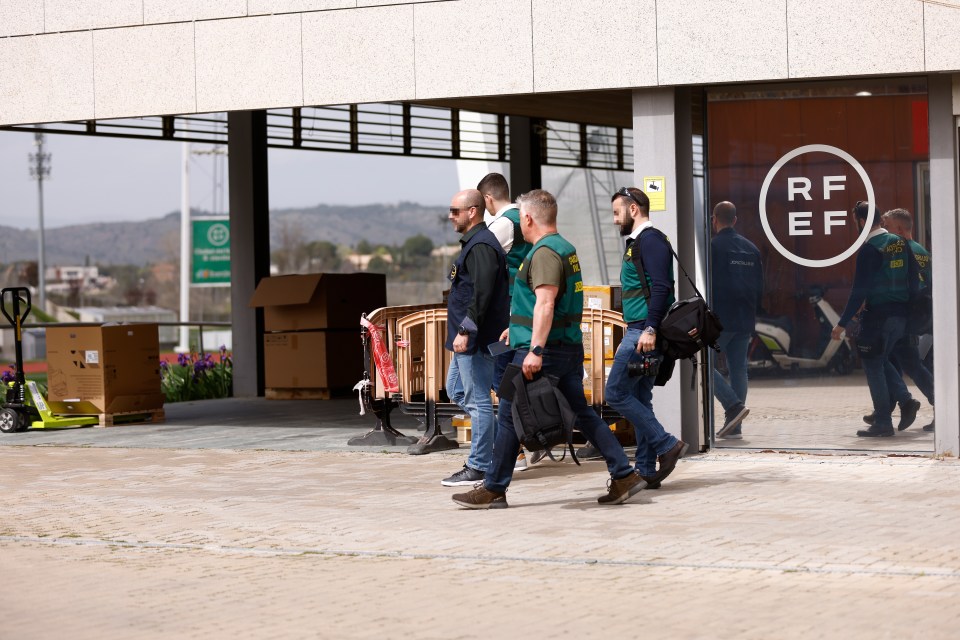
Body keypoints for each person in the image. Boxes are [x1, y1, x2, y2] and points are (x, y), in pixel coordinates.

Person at [452, 189, 646, 508]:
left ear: (528, 218)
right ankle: (623, 473)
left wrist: (535, 350)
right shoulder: (565, 248)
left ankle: (494, 487)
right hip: (564, 346)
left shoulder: (543, 252)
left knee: (508, 413)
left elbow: (545, 302)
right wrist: (513, 328)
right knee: (581, 413)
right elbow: (543, 305)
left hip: (544, 350)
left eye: (522, 221)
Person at [603, 186, 688, 487]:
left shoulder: (650, 241)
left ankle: (666, 444)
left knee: (614, 393)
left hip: (644, 332)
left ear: (634, 209)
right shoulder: (639, 242)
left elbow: (662, 286)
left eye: (617, 212)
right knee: (640, 397)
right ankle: (646, 470)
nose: (615, 220)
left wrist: (650, 328)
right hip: (640, 329)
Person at [831, 201, 919, 437]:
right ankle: (906, 401)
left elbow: (858, 291)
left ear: (861, 222)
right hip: (900, 316)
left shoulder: (869, 250)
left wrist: (842, 323)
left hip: (878, 317)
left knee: (872, 364)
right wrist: (911, 316)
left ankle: (883, 421)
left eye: (855, 223)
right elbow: (914, 280)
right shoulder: (901, 243)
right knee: (880, 360)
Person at [441, 189, 510, 486]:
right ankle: (498, 452)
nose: (450, 216)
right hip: (466, 338)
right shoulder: (475, 244)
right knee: (455, 390)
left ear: (472, 211)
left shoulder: (482, 245)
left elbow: (482, 293)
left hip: (474, 339)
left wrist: (467, 330)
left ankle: (480, 465)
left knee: (477, 399)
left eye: (455, 211)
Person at [476, 172, 541, 471]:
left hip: (507, 313)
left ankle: (515, 450)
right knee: (511, 379)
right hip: (525, 309)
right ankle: (529, 440)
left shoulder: (503, 223)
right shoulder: (527, 217)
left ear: (488, 198)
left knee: (501, 380)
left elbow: (481, 261)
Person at [860, 208, 934, 432]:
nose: (885, 229)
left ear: (900, 229)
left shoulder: (897, 250)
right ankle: (891, 408)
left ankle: (893, 408)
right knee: (909, 364)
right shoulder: (921, 250)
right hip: (914, 317)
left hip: (898, 315)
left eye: (888, 225)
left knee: (882, 360)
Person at [710, 201, 763, 440]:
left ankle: (733, 406)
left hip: (720, 319)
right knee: (739, 369)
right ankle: (735, 425)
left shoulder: (713, 247)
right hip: (745, 318)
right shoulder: (751, 249)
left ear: (714, 219)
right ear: (735, 219)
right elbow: (760, 287)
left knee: (703, 366)